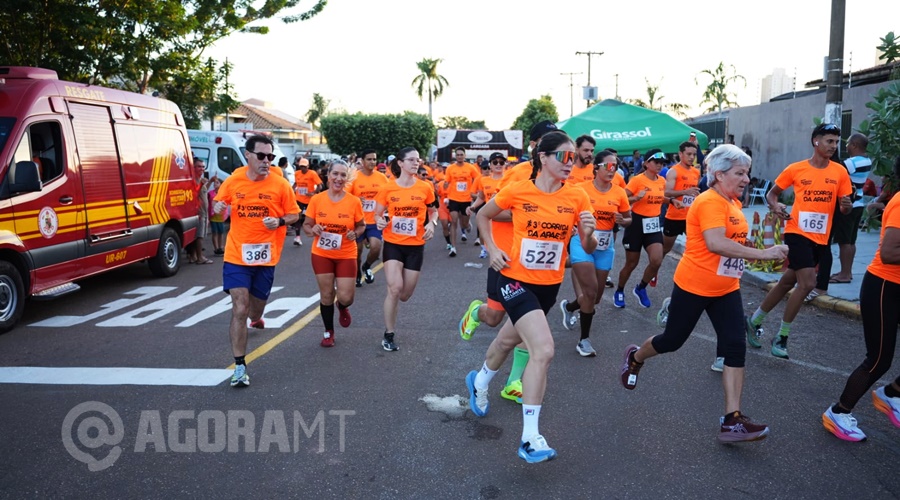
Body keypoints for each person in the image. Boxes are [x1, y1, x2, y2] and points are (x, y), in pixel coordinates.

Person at [620, 144, 788, 443]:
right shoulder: (709, 202)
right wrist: (764, 254)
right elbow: (715, 243)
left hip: (726, 287)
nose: (746, 179)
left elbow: (731, 240)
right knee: (672, 341)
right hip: (695, 286)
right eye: (740, 173)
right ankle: (635, 357)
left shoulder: (733, 202)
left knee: (735, 346)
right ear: (719, 174)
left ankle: (732, 420)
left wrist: (751, 248)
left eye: (747, 173)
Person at [466, 131, 595, 463]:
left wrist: (589, 233)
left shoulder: (578, 196)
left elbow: (587, 246)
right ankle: (530, 438)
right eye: (564, 156)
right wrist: (492, 248)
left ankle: (479, 381)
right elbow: (482, 215)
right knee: (544, 349)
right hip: (514, 280)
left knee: (507, 340)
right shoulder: (518, 189)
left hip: (548, 286)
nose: (571, 163)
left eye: (574, 158)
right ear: (544, 157)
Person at [458, 120, 560, 406]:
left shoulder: (564, 180)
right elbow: (493, 211)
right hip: (506, 257)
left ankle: (514, 381)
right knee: (495, 318)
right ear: (536, 146)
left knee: (528, 328)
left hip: (540, 269)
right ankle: (475, 312)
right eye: (548, 141)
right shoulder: (517, 175)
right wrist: (529, 216)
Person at [746, 123, 853, 359]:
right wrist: (776, 206)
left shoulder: (839, 172)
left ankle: (754, 321)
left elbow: (844, 208)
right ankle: (782, 337)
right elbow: (772, 194)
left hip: (821, 237)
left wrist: (847, 206)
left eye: (836, 142)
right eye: (829, 141)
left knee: (787, 282)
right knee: (807, 284)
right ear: (816, 141)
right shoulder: (796, 169)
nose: (833, 146)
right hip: (797, 232)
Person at [822, 155, 900, 441]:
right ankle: (839, 412)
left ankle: (892, 393)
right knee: (879, 359)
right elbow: (890, 253)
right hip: (885, 287)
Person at [212, 135, 300, 388]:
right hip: (236, 255)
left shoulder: (280, 184)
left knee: (254, 310)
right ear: (248, 155)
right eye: (261, 156)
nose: (266, 161)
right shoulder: (234, 180)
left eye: (270, 157)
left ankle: (257, 317)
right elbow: (220, 201)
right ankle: (240, 366)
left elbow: (295, 214)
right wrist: (218, 207)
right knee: (239, 307)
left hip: (265, 256)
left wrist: (280, 221)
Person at [559, 157, 632, 356]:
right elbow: (565, 209)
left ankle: (569, 307)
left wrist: (623, 220)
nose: (612, 170)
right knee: (590, 292)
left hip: (605, 246)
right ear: (596, 168)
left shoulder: (619, 192)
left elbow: (628, 218)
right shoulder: (580, 189)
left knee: (595, 298)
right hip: (582, 241)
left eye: (615, 166)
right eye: (608, 166)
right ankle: (584, 340)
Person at [374, 148, 438, 351]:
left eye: (418, 160)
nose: (416, 163)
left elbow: (434, 210)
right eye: (411, 160)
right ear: (400, 163)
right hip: (393, 244)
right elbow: (377, 214)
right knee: (394, 289)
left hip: (415, 246)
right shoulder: (388, 188)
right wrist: (379, 221)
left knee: (405, 294)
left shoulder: (425, 187)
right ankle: (389, 334)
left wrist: (432, 223)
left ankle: (391, 321)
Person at [303, 160, 365, 347]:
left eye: (343, 175)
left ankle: (342, 306)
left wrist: (356, 233)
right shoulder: (317, 200)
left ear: (347, 178)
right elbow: (306, 225)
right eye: (335, 174)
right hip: (321, 253)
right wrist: (313, 229)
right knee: (327, 294)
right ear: (328, 176)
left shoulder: (353, 201)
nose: (339, 178)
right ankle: (328, 331)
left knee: (346, 297)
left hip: (346, 253)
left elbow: (361, 226)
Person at [613, 148, 668, 309]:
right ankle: (620, 290)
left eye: (662, 162)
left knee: (657, 260)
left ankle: (641, 288)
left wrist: (671, 201)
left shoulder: (661, 181)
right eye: (656, 162)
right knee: (631, 263)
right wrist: (636, 198)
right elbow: (622, 197)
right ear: (646, 164)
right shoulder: (637, 180)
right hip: (636, 224)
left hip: (653, 224)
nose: (659, 165)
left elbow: (658, 197)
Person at [827, 133, 872, 284]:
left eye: (847, 144)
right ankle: (847, 271)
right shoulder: (867, 160)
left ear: (854, 145)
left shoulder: (852, 163)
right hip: (859, 204)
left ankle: (844, 274)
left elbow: (836, 170)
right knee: (851, 241)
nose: (845, 146)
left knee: (844, 241)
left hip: (848, 205)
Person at [348, 148, 388, 288]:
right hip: (358, 221)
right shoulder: (354, 177)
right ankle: (357, 273)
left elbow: (389, 195)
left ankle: (367, 266)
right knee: (357, 252)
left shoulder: (382, 178)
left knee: (376, 247)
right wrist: (356, 200)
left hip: (374, 220)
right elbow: (345, 196)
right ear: (362, 161)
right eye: (369, 159)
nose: (372, 162)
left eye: (374, 159)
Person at [662, 141, 701, 259]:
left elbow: (694, 192)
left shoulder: (696, 172)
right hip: (674, 217)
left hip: (690, 216)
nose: (692, 157)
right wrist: (685, 192)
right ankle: (654, 267)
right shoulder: (674, 171)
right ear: (680, 154)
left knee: (696, 247)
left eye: (694, 154)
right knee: (665, 249)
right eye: (689, 154)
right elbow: (666, 193)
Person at [467, 152, 506, 259]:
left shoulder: (510, 180)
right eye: (495, 162)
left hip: (506, 219)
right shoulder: (484, 180)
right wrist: (473, 206)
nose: (498, 164)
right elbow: (481, 197)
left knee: (505, 250)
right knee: (492, 249)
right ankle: (485, 251)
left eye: (501, 162)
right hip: (490, 218)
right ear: (490, 165)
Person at [444, 147, 479, 257]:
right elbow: (446, 181)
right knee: (454, 221)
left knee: (464, 224)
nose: (459, 156)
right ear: (455, 156)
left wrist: (474, 191)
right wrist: (445, 185)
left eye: (461, 154)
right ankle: (453, 247)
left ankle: (467, 226)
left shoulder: (470, 167)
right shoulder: (450, 168)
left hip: (466, 199)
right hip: (453, 198)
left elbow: (477, 179)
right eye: (457, 155)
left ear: (465, 156)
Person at [292, 157, 323, 247]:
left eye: (304, 166)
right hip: (299, 199)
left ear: (308, 166)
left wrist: (313, 192)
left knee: (313, 219)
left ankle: (318, 235)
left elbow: (320, 186)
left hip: (310, 200)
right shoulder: (297, 173)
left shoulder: (312, 173)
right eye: (301, 166)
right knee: (298, 217)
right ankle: (297, 237)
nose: (303, 168)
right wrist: (292, 190)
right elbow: (296, 183)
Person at [189, 159, 213, 265]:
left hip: (203, 212)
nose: (202, 169)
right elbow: (193, 194)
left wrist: (209, 182)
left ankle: (193, 256)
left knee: (198, 235)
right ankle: (200, 257)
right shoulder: (193, 180)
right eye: (199, 166)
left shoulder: (200, 180)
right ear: (194, 168)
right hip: (199, 212)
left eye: (203, 167)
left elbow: (203, 191)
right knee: (200, 236)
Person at [208, 176, 227, 255]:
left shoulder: (223, 193)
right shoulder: (210, 193)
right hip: (213, 216)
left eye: (217, 183)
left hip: (221, 216)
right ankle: (216, 248)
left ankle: (220, 247)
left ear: (221, 184)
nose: (215, 184)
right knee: (214, 232)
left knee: (221, 232)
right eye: (214, 183)